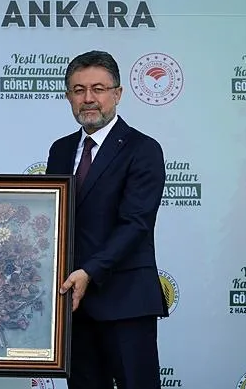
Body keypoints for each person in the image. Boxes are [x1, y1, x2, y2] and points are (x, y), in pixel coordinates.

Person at [47, 50, 168, 389]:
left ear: (117, 94)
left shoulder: (143, 149)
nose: (88, 98)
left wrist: (89, 272)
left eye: (98, 89)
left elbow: (136, 224)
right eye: (79, 90)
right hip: (74, 306)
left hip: (126, 302)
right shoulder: (59, 150)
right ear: (68, 96)